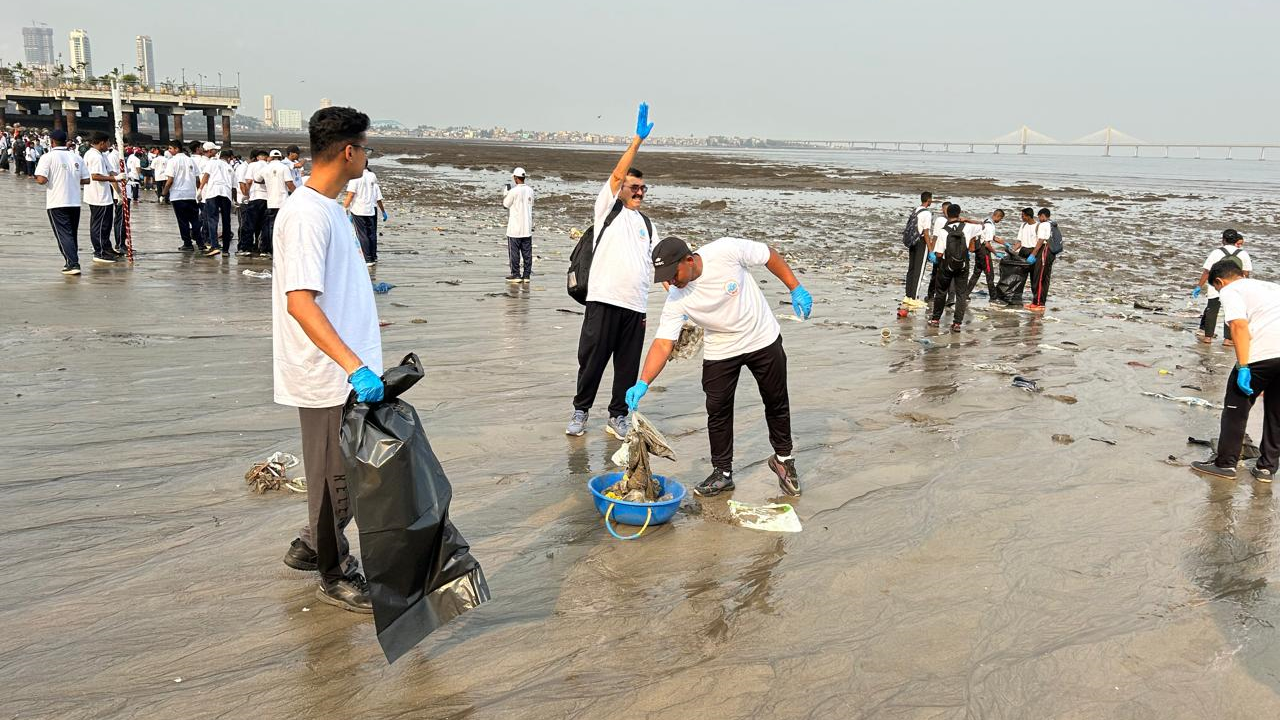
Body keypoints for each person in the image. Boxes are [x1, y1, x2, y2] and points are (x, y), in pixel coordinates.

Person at [273, 106, 381, 612]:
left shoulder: (332, 208)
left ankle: (311, 545)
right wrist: (352, 364)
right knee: (334, 480)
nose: (367, 157)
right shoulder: (306, 215)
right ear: (348, 151)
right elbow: (300, 302)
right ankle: (334, 574)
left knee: (351, 475)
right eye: (366, 148)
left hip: (350, 372)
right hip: (328, 375)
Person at [625, 236, 812, 497]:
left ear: (689, 260)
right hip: (721, 348)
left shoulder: (725, 251)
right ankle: (722, 473)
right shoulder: (677, 298)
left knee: (776, 400)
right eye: (665, 277)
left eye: (673, 274)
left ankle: (784, 460)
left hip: (761, 337)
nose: (671, 282)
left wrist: (795, 287)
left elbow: (768, 254)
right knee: (718, 409)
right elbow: (664, 343)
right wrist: (643, 382)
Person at [566, 103, 658, 439]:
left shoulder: (648, 224)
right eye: (634, 187)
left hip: (635, 307)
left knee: (627, 368)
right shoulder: (607, 208)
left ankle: (618, 415)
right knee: (592, 360)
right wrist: (637, 141)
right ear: (621, 189)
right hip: (603, 300)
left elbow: (659, 265)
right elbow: (617, 175)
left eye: (643, 188)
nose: (639, 192)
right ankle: (580, 411)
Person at [1191, 260, 1280, 483]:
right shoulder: (1271, 287)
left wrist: (1243, 366)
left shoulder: (1230, 290)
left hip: (1261, 354)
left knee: (1236, 408)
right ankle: (1267, 468)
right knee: (1276, 412)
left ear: (1219, 282)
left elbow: (1239, 326)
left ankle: (1225, 464)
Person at [34, 129, 89, 275]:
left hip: (57, 201)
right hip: (74, 201)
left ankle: (73, 263)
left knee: (63, 234)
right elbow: (86, 179)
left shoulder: (47, 157)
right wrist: (71, 178)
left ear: (52, 142)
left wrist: (38, 177)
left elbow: (41, 179)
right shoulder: (76, 157)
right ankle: (70, 261)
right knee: (71, 234)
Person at [1194, 229, 1251, 346]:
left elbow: (1206, 271)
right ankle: (1227, 339)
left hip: (1216, 285)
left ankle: (1208, 337)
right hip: (1234, 287)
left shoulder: (1216, 252)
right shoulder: (1243, 254)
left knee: (1211, 310)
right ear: (1236, 240)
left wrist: (1199, 286)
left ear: (1223, 240)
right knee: (1230, 311)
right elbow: (1245, 273)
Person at [928, 203, 975, 331]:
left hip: (946, 265)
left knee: (941, 292)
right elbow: (982, 225)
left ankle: (935, 319)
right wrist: (967, 220)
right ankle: (957, 323)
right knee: (961, 294)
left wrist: (936, 260)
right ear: (959, 213)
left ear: (947, 214)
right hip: (963, 265)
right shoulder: (968, 227)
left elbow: (939, 253)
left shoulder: (944, 231)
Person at [82, 132, 121, 264]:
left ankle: (106, 247)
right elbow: (95, 176)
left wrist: (120, 176)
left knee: (106, 224)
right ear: (102, 143)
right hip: (98, 195)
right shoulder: (94, 156)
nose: (109, 145)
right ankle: (99, 252)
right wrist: (115, 178)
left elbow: (110, 170)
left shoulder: (102, 155)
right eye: (108, 142)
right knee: (100, 225)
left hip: (105, 195)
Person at [163, 140, 206, 252]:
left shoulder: (172, 161)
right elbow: (197, 179)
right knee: (194, 220)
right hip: (190, 194)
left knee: (183, 221)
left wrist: (164, 193)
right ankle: (200, 243)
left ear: (176, 149)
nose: (169, 150)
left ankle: (187, 243)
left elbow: (170, 180)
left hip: (178, 195)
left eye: (170, 148)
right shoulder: (190, 160)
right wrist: (198, 191)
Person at [343, 162, 387, 266]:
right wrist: (383, 212)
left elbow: (350, 195)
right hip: (370, 209)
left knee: (362, 234)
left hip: (358, 210)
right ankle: (373, 256)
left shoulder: (354, 178)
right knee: (371, 234)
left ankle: (367, 259)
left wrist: (343, 208)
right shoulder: (372, 176)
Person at [899, 192, 933, 316]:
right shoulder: (927, 213)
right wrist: (930, 250)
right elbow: (926, 233)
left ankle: (908, 296)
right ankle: (914, 297)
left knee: (912, 269)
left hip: (912, 241)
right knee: (919, 270)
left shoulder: (916, 210)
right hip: (921, 243)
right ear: (929, 200)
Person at [199, 148, 236, 256]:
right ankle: (225, 250)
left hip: (213, 193)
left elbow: (206, 176)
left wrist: (200, 189)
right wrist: (234, 201)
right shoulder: (230, 168)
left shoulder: (212, 163)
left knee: (212, 220)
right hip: (226, 194)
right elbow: (234, 187)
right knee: (226, 221)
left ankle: (214, 246)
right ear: (228, 158)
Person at [262, 149, 297, 257]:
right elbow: (289, 183)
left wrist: (268, 181)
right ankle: (280, 250)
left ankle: (268, 250)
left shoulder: (266, 168)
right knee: (282, 227)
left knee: (270, 226)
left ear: (270, 157)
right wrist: (298, 194)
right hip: (283, 202)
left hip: (271, 202)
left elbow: (257, 179)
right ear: (280, 157)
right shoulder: (284, 167)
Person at [502, 167, 534, 282]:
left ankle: (516, 274)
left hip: (515, 228)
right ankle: (526, 275)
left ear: (516, 178)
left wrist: (506, 194)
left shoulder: (513, 191)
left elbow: (505, 205)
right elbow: (531, 204)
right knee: (527, 253)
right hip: (527, 227)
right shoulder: (530, 190)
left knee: (514, 253)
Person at [239, 149, 271, 255]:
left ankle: (246, 248)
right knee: (265, 225)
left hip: (255, 197)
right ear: (266, 157)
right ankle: (265, 249)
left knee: (249, 224)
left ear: (257, 157)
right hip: (267, 198)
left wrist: (247, 194)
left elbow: (248, 181)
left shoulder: (252, 165)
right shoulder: (269, 166)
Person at [968, 209, 1005, 298]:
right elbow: (987, 244)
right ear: (998, 216)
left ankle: (965, 294)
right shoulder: (990, 226)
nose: (1000, 221)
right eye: (1001, 219)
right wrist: (996, 253)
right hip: (984, 252)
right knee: (989, 274)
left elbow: (993, 237)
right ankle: (993, 296)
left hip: (978, 251)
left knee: (976, 273)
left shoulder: (986, 221)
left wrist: (1005, 243)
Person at [1026, 207, 1056, 310]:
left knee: (1038, 277)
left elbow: (1041, 240)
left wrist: (1033, 254)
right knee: (1045, 278)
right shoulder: (1053, 224)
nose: (1039, 219)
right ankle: (1041, 302)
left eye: (1039, 217)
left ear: (1042, 216)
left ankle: (1037, 302)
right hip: (1051, 252)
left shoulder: (1043, 225)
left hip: (1044, 250)